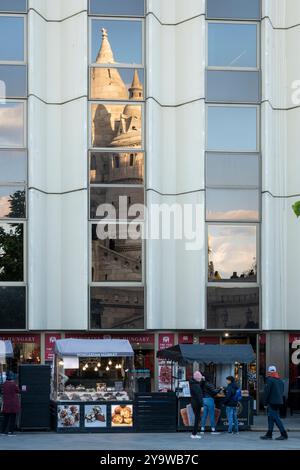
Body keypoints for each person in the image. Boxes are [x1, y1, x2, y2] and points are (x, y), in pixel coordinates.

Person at [260, 365, 288, 441]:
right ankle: (269, 433)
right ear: (275, 371)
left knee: (275, 418)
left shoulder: (269, 380)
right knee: (271, 417)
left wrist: (264, 403)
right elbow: (282, 391)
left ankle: (284, 434)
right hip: (278, 401)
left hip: (271, 402)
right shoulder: (280, 380)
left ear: (269, 371)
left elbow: (266, 393)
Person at [1, 371, 20, 436]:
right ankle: (10, 431)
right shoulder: (13, 384)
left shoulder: (4, 384)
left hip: (6, 403)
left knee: (5, 418)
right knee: (12, 418)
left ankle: (3, 431)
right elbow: (18, 390)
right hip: (13, 404)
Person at [189, 371, 204, 439]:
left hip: (194, 403)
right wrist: (202, 405)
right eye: (200, 377)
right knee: (198, 418)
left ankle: (194, 433)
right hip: (197, 404)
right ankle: (194, 434)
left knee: (198, 418)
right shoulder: (196, 385)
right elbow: (199, 396)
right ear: (198, 378)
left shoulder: (193, 383)